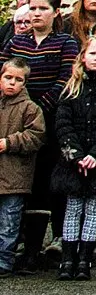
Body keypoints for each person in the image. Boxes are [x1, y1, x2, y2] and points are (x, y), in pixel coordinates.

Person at [7, 0, 73, 270]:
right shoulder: (16, 43)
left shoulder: (65, 43)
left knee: (47, 181)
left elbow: (65, 80)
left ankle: (46, 246)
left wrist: (38, 109)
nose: (36, 14)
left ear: (55, 12)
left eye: (42, 9)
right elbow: (6, 74)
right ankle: (26, 248)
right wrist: (22, 111)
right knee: (24, 182)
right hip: (17, 119)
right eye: (32, 8)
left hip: (50, 119)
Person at [50, 33, 96, 279]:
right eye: (92, 53)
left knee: (92, 208)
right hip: (73, 159)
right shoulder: (70, 88)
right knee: (73, 207)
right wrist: (77, 156)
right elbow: (62, 124)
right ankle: (67, 260)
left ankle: (85, 260)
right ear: (83, 56)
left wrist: (95, 155)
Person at [0, 56, 45, 273]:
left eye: (17, 79)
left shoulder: (30, 108)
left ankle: (4, 261)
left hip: (15, 177)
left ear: (24, 83)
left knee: (9, 222)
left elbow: (36, 136)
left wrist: (9, 143)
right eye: (8, 77)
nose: (12, 83)